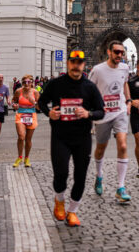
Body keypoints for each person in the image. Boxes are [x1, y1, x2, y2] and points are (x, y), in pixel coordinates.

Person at [37, 50, 104, 227]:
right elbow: (42, 102)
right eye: (73, 62)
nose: (76, 65)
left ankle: (73, 211)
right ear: (68, 63)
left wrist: (88, 113)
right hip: (60, 136)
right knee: (61, 173)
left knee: (80, 176)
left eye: (79, 62)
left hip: (82, 138)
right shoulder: (56, 84)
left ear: (83, 65)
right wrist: (49, 112)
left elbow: (101, 111)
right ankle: (59, 200)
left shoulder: (90, 87)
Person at [89, 40, 133, 203]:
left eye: (122, 52)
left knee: (122, 144)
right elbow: (89, 89)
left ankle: (120, 187)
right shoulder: (98, 70)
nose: (119, 55)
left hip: (120, 111)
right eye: (116, 52)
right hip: (103, 114)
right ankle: (99, 175)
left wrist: (128, 101)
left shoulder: (125, 67)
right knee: (101, 148)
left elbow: (125, 84)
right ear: (109, 52)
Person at [11, 75, 38, 167]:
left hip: (32, 115)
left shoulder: (35, 92)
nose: (27, 84)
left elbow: (39, 107)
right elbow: (13, 101)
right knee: (21, 136)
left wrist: (34, 102)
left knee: (28, 139)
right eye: (25, 82)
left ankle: (27, 158)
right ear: (22, 83)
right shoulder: (18, 91)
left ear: (31, 83)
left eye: (29, 82)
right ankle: (19, 157)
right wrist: (14, 105)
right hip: (20, 115)